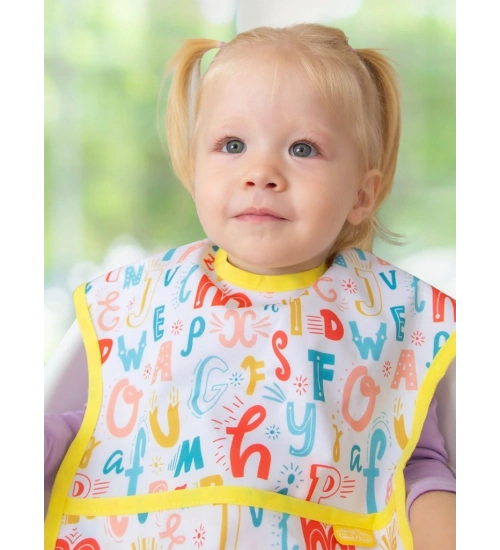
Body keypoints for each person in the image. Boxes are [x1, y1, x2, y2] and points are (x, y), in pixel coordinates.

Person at [43, 23, 456, 550]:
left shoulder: (389, 319)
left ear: (361, 195)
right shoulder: (149, 302)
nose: (261, 172)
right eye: (232, 145)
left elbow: (410, 461)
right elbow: (105, 431)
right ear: (194, 170)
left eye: (303, 148)